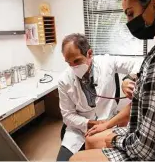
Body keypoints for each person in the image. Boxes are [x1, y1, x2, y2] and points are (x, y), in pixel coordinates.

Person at [70, 0, 155, 161]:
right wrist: (127, 79)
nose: (129, 22)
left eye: (131, 13)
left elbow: (147, 150)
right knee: (91, 138)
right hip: (146, 132)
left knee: (76, 159)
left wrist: (115, 139)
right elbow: (141, 74)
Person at [56, 33, 142, 161]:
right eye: (69, 63)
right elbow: (67, 116)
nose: (74, 67)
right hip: (79, 130)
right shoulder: (64, 80)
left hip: (108, 124)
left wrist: (128, 79)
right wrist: (92, 123)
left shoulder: (107, 62)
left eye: (77, 61)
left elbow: (140, 63)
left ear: (89, 54)